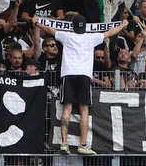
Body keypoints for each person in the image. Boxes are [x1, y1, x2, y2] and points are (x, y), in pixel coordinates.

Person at [38, 13, 128, 154]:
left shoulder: (66, 36)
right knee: (84, 111)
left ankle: (64, 143)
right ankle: (83, 145)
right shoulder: (91, 37)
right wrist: (123, 25)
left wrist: (36, 22)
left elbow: (50, 30)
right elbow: (109, 32)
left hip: (67, 74)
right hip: (84, 75)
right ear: (85, 27)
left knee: (66, 109)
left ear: (72, 26)